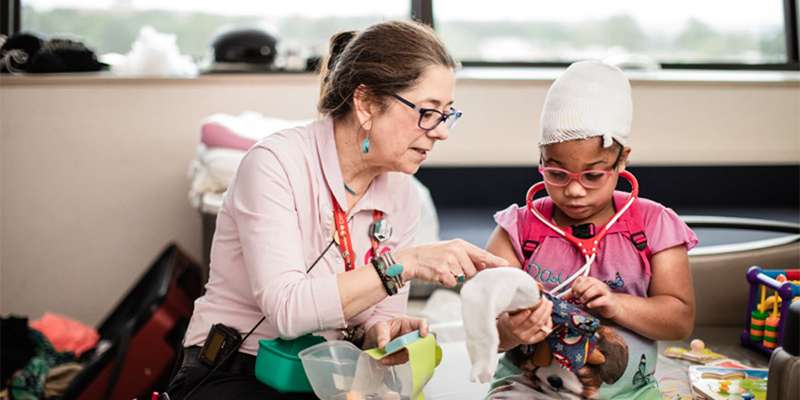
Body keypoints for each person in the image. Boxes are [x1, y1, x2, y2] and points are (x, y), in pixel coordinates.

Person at [166, 20, 508, 400]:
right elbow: (287, 311)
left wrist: (384, 334)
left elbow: (377, 318)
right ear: (366, 104)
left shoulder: (403, 193)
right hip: (234, 370)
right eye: (427, 112)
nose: (441, 131)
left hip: (327, 377)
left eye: (446, 114)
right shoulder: (274, 165)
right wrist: (406, 263)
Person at [484, 61, 698, 399]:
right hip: (527, 390)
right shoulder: (517, 230)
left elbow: (679, 321)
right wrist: (512, 330)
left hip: (630, 395)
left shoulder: (654, 225)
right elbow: (486, 329)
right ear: (541, 159)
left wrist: (616, 305)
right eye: (556, 174)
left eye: (593, 175)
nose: (574, 191)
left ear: (621, 160)